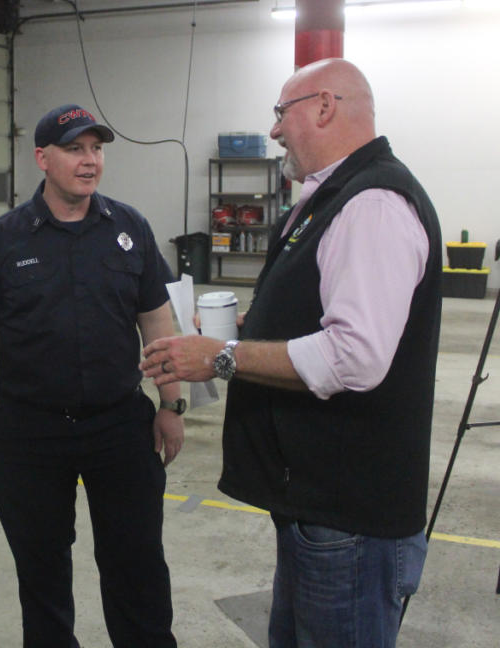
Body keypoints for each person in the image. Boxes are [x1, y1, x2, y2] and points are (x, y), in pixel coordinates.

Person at [141, 59, 442, 647]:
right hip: (318, 508)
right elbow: (324, 306)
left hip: (349, 516)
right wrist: (257, 323)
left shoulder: (372, 204)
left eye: (282, 113)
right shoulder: (330, 196)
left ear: (325, 107)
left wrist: (224, 356)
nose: (275, 131)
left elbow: (355, 357)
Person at [0, 104, 184, 648]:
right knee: (42, 571)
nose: (90, 161)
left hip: (121, 427)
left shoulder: (130, 227)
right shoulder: (2, 240)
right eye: (75, 149)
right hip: (31, 433)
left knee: (138, 565)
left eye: (96, 149)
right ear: (43, 159)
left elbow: (157, 320)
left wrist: (172, 405)